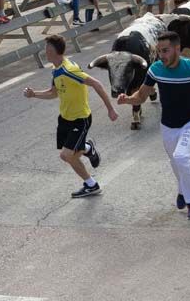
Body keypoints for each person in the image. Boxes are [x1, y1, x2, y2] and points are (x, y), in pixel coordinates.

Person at [117, 31, 190, 219]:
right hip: (167, 128)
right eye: (159, 51)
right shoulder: (155, 70)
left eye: (165, 51)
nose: (161, 55)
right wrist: (127, 100)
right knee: (176, 163)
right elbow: (141, 96)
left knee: (181, 157)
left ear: (178, 49)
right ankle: (182, 189)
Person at [22, 35, 118, 198]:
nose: (46, 53)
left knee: (67, 156)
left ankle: (91, 185)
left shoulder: (69, 70)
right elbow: (53, 93)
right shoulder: (57, 70)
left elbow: (96, 83)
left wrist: (110, 109)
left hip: (80, 119)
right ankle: (87, 148)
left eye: (48, 50)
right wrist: (34, 94)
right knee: (73, 153)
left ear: (56, 52)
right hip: (65, 118)